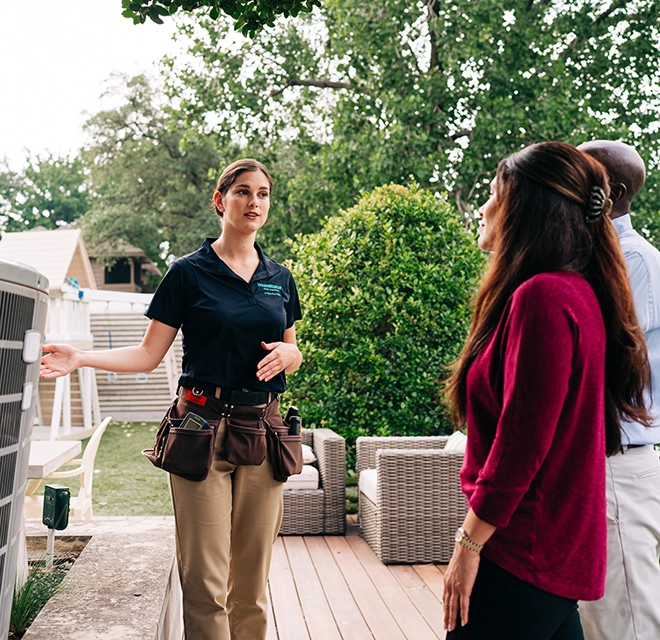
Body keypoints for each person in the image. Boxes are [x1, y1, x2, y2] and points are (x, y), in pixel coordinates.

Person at [40, 158, 303, 640]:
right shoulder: (188, 273)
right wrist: (80, 358)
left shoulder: (279, 278)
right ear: (221, 201)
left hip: (263, 433)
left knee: (252, 585)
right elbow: (147, 354)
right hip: (201, 430)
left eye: (263, 193)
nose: (255, 202)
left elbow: (291, 349)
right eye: (243, 192)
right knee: (204, 583)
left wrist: (293, 353)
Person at [443, 141, 652, 640]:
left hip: (522, 552)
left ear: (524, 210)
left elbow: (521, 448)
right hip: (548, 551)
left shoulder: (545, 297)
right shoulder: (574, 290)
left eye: (495, 194)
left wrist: (467, 547)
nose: (484, 208)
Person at [577, 140, 660, 640]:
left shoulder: (634, 261)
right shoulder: (592, 254)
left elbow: (597, 357)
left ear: (613, 191)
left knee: (624, 622)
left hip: (618, 465)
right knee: (595, 619)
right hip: (595, 464)